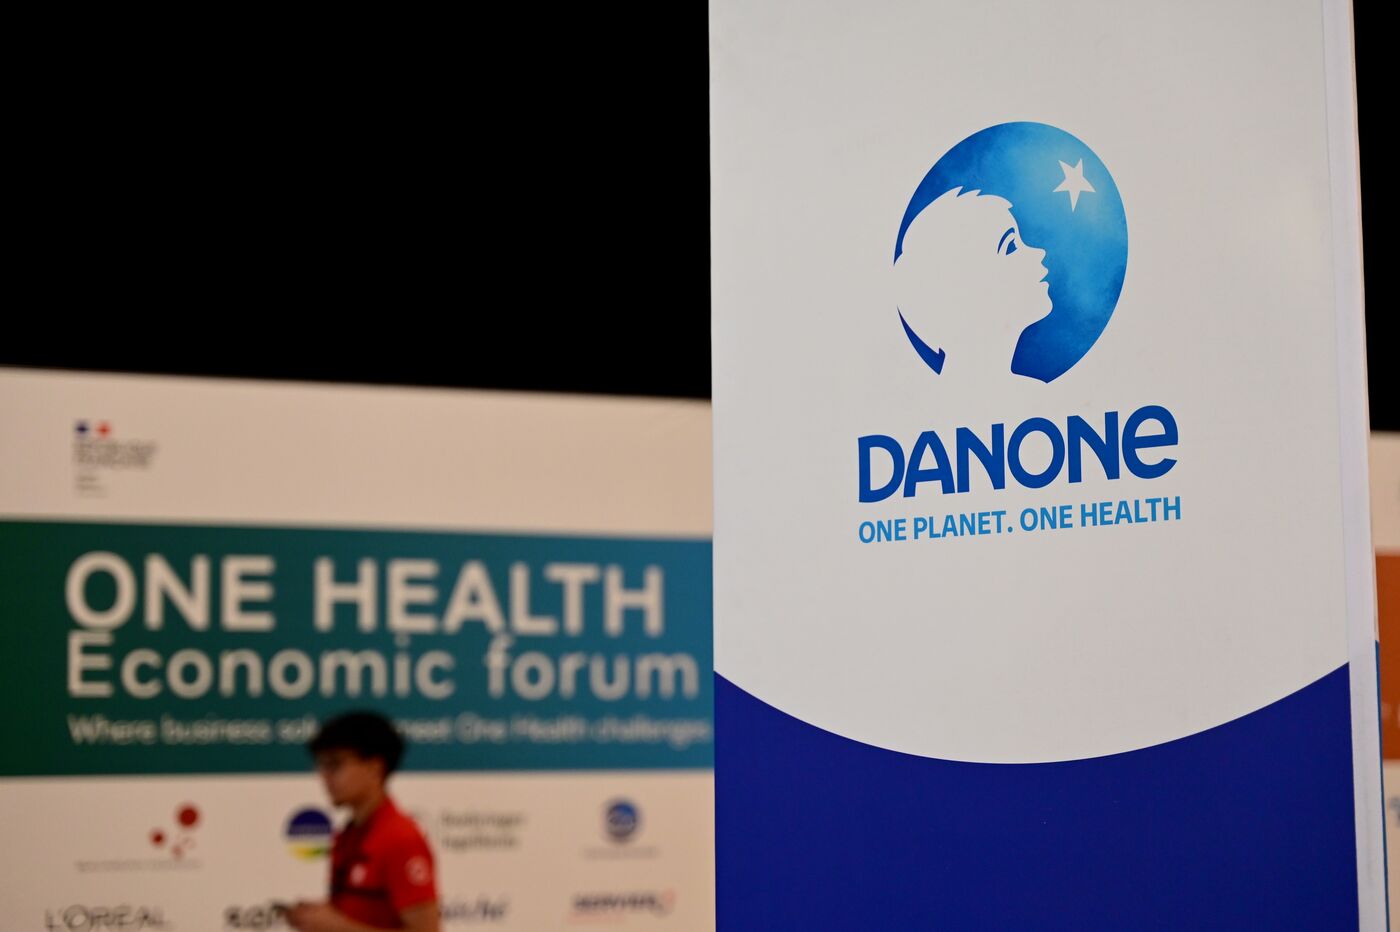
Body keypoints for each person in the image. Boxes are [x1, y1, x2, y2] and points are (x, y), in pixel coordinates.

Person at [286, 712, 440, 932]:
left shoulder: (399, 839)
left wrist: (337, 927)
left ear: (375, 767)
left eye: (335, 764)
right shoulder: (348, 835)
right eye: (321, 765)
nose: (325, 777)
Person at [893, 185, 1052, 387]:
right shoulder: (1030, 395)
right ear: (966, 288)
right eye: (1010, 246)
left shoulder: (1034, 394)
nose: (1039, 252)